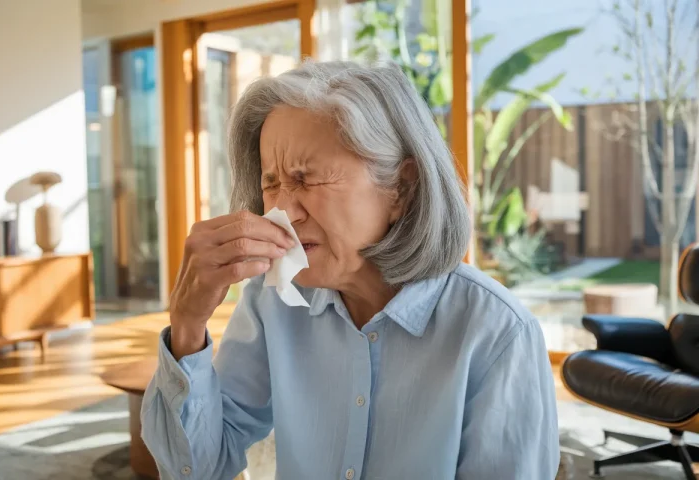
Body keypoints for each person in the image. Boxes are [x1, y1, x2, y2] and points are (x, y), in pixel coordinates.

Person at [141, 61, 559, 480]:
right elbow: (198, 467)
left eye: (306, 179)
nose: (282, 210)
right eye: (272, 183)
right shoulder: (274, 301)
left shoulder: (497, 333)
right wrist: (188, 325)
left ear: (402, 187)